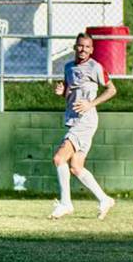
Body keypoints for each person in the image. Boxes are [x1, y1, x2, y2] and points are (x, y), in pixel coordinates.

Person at [49, 33, 117, 219]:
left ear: (92, 50)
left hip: (86, 120)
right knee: (76, 167)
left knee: (58, 158)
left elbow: (112, 89)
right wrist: (62, 92)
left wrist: (91, 103)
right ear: (75, 47)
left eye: (87, 47)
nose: (83, 50)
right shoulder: (68, 67)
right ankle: (104, 199)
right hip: (73, 119)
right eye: (80, 46)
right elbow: (70, 93)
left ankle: (66, 203)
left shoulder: (95, 67)